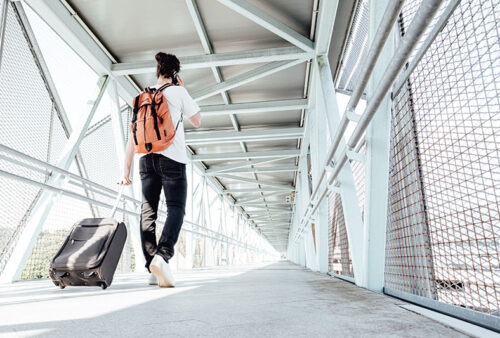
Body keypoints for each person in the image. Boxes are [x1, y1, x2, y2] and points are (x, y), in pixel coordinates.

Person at [119, 52, 201, 287]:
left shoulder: (141, 97)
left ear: (157, 72)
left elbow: (132, 138)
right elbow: (197, 120)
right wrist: (181, 90)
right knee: (176, 208)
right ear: (175, 74)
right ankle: (162, 256)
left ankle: (151, 268)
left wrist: (125, 172)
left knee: (148, 212)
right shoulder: (178, 91)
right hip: (172, 158)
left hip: (145, 159)